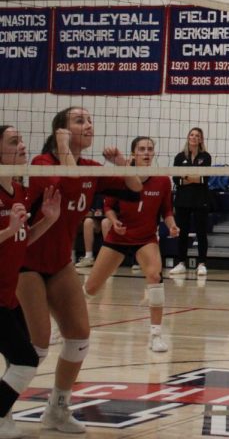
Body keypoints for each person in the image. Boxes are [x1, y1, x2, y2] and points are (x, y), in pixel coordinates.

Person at [19, 106, 142, 433]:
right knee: (38, 346)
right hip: (25, 263)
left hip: (59, 263)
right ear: (61, 130)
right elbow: (71, 184)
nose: (89, 125)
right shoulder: (42, 163)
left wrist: (122, 164)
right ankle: (4, 406)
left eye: (90, 120)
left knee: (79, 336)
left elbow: (135, 188)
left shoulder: (89, 166)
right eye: (79, 121)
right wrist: (61, 147)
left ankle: (57, 408)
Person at [83, 137, 180, 353]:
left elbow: (167, 211)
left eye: (150, 149)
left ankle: (155, 335)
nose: (146, 152)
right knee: (91, 287)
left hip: (145, 239)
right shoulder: (122, 177)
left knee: (155, 277)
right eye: (142, 149)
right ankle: (64, 327)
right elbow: (109, 206)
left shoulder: (163, 180)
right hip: (119, 237)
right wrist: (114, 220)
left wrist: (172, 226)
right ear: (133, 153)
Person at [1, 125, 62, 439]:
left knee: (20, 358)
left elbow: (21, 240)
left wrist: (47, 221)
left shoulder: (18, 188)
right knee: (25, 361)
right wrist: (9, 230)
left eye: (23, 140)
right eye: (14, 141)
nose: (23, 145)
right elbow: (10, 235)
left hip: (7, 296)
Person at [169, 128, 214, 278]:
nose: (194, 138)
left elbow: (205, 179)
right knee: (182, 233)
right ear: (188, 137)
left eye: (197, 136)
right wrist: (195, 178)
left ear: (201, 140)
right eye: (192, 135)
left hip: (200, 200)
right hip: (183, 200)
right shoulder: (179, 157)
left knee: (201, 233)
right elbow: (176, 180)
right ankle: (181, 262)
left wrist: (186, 177)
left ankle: (202, 264)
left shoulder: (205, 157)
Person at [74, 195, 108, 270]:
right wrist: (92, 212)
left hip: (111, 220)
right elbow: (94, 209)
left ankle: (108, 258)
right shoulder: (98, 193)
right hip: (98, 220)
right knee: (88, 222)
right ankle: (88, 256)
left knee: (105, 222)